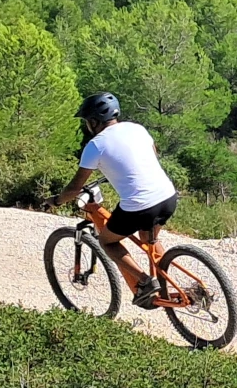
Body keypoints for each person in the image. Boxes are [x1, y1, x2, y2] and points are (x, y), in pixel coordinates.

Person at [48, 92, 179, 308]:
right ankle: (168, 289)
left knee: (106, 241)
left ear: (93, 121)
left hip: (140, 207)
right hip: (167, 196)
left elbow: (75, 188)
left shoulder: (95, 146)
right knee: (149, 241)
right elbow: (151, 156)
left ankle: (146, 282)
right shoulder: (138, 128)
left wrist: (55, 201)